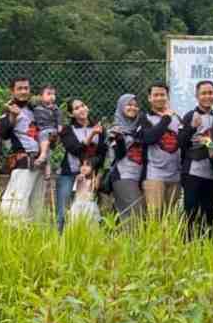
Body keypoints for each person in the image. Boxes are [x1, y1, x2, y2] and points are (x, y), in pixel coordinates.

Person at [0, 77, 46, 224]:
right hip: (23, 161)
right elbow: (3, 134)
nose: (24, 91)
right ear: (12, 91)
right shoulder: (8, 111)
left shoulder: (36, 111)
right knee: (14, 202)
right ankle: (11, 236)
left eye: (26, 88)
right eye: (20, 88)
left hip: (40, 161)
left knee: (36, 204)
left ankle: (33, 239)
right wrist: (13, 115)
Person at [179, 80, 213, 233]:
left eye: (210, 93)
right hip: (193, 173)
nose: (207, 96)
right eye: (204, 93)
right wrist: (192, 128)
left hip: (212, 175)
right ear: (197, 96)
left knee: (209, 215)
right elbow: (181, 143)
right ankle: (187, 248)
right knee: (190, 214)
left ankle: (207, 248)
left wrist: (208, 143)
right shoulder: (190, 116)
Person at [58, 98, 107, 229]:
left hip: (91, 177)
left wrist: (98, 175)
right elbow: (75, 149)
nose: (81, 109)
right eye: (76, 108)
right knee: (64, 212)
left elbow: (103, 152)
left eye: (83, 105)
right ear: (71, 114)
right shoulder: (67, 130)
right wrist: (92, 135)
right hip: (70, 174)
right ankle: (60, 243)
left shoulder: (99, 128)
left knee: (90, 213)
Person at [139, 83, 183, 216]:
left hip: (175, 176)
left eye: (162, 95)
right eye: (155, 95)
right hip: (154, 175)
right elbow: (149, 138)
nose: (159, 98)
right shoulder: (144, 118)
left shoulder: (177, 118)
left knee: (170, 216)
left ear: (167, 96)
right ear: (149, 98)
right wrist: (166, 118)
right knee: (155, 216)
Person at [107, 93, 146, 222]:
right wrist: (119, 139)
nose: (133, 108)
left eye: (136, 106)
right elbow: (118, 155)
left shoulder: (140, 127)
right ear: (121, 107)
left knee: (127, 215)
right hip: (123, 175)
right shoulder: (115, 129)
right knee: (136, 214)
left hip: (140, 176)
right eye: (129, 105)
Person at [33, 85, 63, 182]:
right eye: (49, 94)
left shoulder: (55, 109)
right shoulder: (36, 107)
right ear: (41, 96)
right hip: (40, 131)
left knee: (45, 139)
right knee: (47, 150)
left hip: (51, 131)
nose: (52, 96)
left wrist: (59, 127)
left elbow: (59, 119)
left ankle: (42, 156)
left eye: (53, 94)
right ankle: (47, 170)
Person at [67, 159, 102, 227]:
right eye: (82, 165)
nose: (84, 167)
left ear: (93, 168)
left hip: (89, 206)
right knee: (75, 224)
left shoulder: (94, 180)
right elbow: (77, 184)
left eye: (87, 165)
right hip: (78, 205)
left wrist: (97, 177)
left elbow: (96, 188)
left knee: (90, 225)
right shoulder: (79, 177)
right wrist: (79, 178)